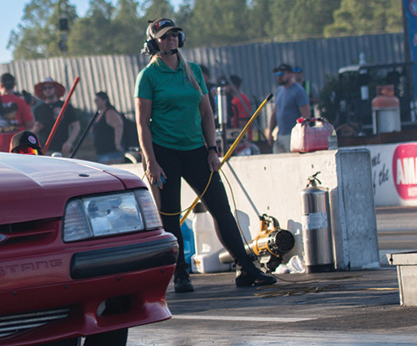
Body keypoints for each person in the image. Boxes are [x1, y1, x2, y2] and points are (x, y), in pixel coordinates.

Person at [134, 18, 277, 292]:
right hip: (163, 152)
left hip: (195, 150)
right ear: (153, 44)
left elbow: (207, 113)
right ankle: (180, 275)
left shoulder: (193, 71)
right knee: (170, 216)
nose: (171, 40)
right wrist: (151, 161)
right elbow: (142, 124)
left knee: (221, 209)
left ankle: (245, 268)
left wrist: (212, 149)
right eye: (164, 37)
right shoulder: (148, 77)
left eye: (175, 35)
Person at [0, 73, 33, 152]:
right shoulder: (20, 102)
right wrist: (30, 106)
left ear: (1, 85)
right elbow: (30, 125)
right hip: (19, 145)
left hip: (0, 148)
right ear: (14, 85)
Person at [32, 78, 81, 156]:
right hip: (45, 150)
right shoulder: (38, 109)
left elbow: (76, 126)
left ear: (55, 89)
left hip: (63, 150)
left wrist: (69, 142)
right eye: (45, 88)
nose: (47, 90)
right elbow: (32, 132)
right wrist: (36, 129)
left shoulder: (65, 106)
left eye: (50, 87)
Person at [270, 63, 311, 154]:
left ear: (290, 74)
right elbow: (274, 113)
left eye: (281, 74)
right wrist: (270, 132)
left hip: (293, 135)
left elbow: (306, 115)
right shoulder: (279, 91)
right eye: (277, 74)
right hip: (280, 135)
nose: (278, 77)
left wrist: (303, 135)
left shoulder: (298, 91)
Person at [90, 92, 130, 164]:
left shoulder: (109, 112)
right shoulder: (99, 113)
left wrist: (117, 143)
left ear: (104, 100)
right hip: (102, 151)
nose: (95, 103)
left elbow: (118, 126)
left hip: (111, 151)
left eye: (97, 100)